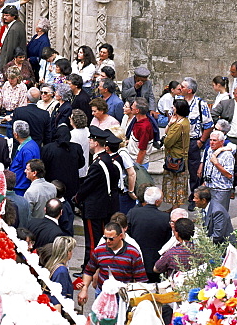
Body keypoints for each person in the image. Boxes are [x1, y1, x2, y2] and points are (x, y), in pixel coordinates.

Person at [73, 126, 120, 263]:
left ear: (96, 143)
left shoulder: (98, 164)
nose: (89, 142)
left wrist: (76, 198)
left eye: (91, 140)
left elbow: (87, 186)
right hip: (102, 204)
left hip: (94, 208)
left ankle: (90, 267)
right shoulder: (105, 160)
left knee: (93, 241)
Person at [76, 221, 146, 305]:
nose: (107, 241)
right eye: (105, 238)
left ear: (120, 236)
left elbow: (140, 280)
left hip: (123, 297)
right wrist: (84, 289)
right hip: (102, 294)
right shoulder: (99, 250)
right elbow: (89, 271)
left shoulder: (133, 253)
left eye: (111, 239)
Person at [127, 186, 172, 281]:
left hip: (135, 261)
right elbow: (168, 242)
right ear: (157, 201)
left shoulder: (133, 213)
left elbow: (128, 235)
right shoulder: (165, 218)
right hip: (155, 264)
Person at [199, 129, 234, 220]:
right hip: (209, 187)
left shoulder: (227, 155)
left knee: (219, 216)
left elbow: (229, 175)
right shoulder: (210, 150)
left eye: (214, 140)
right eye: (210, 140)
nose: (211, 142)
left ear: (222, 142)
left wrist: (216, 163)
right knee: (206, 214)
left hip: (221, 190)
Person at [162, 99, 191, 208]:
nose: (172, 108)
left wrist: (170, 127)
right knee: (177, 183)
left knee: (175, 183)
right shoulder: (184, 121)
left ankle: (175, 208)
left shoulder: (179, 125)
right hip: (180, 156)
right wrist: (170, 123)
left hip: (175, 157)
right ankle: (174, 207)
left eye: (174, 107)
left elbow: (168, 142)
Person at [39, 235, 76, 306]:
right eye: (71, 250)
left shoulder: (52, 264)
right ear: (68, 252)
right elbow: (58, 299)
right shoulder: (62, 271)